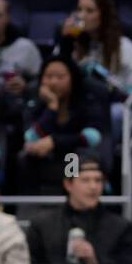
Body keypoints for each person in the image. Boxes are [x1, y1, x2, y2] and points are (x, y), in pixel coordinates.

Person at [25, 156, 132, 264]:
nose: (93, 186)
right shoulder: (42, 226)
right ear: (68, 185)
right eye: (85, 180)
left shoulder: (122, 228)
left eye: (98, 180)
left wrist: (97, 263)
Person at [19, 57, 105, 195]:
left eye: (60, 77)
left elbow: (92, 137)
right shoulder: (35, 103)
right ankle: (32, 203)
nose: (53, 82)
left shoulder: (86, 101)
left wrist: (54, 141)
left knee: (74, 158)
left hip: (74, 155)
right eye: (48, 76)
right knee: (26, 158)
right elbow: (31, 137)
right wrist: (52, 107)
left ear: (72, 79)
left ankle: (73, 199)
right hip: (44, 157)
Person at [55, 0, 132, 101]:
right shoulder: (70, 43)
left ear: (104, 15)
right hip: (77, 104)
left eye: (90, 11)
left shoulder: (125, 47)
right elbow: (54, 75)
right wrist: (66, 43)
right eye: (79, 10)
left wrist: (101, 75)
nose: (81, 16)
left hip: (114, 105)